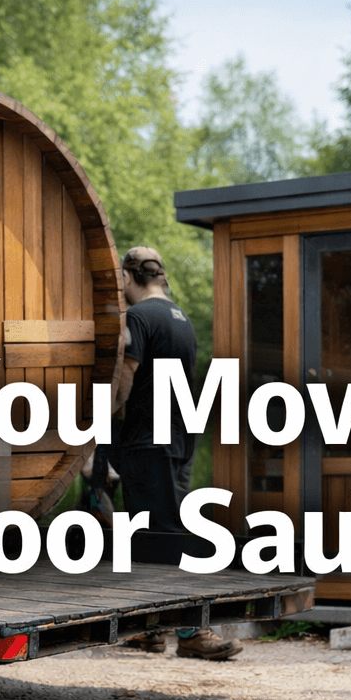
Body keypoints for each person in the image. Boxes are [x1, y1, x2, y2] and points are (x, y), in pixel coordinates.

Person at [113, 246, 242, 661]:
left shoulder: (137, 318)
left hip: (148, 441)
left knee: (161, 537)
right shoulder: (182, 320)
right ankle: (149, 630)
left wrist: (106, 417)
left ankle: (189, 631)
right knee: (157, 533)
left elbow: (127, 374)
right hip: (180, 440)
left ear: (128, 278)